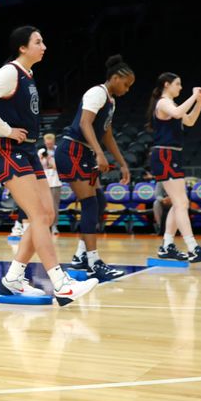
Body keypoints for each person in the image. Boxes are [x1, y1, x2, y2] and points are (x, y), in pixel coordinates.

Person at [0, 26, 99, 302]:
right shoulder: (10, 72)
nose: (44, 46)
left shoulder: (29, 75)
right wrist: (6, 130)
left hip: (28, 149)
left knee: (47, 215)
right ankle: (60, 282)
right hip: (8, 148)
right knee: (37, 216)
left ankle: (13, 278)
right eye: (38, 41)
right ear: (22, 47)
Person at [55, 55, 135, 282]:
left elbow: (107, 133)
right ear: (115, 77)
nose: (127, 89)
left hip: (83, 152)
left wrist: (122, 163)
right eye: (126, 84)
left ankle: (81, 255)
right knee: (90, 203)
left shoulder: (110, 100)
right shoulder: (96, 92)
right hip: (71, 151)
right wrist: (99, 153)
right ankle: (93, 262)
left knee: (99, 201)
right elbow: (84, 123)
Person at [147, 74, 201, 262]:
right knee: (181, 203)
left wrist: (199, 103)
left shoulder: (171, 105)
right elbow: (179, 113)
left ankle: (167, 245)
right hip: (164, 154)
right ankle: (193, 247)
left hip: (172, 154)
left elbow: (189, 121)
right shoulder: (163, 103)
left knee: (178, 202)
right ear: (166, 84)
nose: (180, 87)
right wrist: (193, 96)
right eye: (178, 84)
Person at [37, 133, 62, 234]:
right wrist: (43, 159)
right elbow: (38, 166)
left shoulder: (58, 151)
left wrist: (50, 159)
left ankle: (54, 226)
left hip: (55, 181)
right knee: (43, 205)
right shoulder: (41, 151)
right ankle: (44, 225)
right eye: (47, 144)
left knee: (54, 205)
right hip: (44, 181)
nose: (49, 145)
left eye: (50, 144)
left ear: (54, 142)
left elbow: (58, 166)